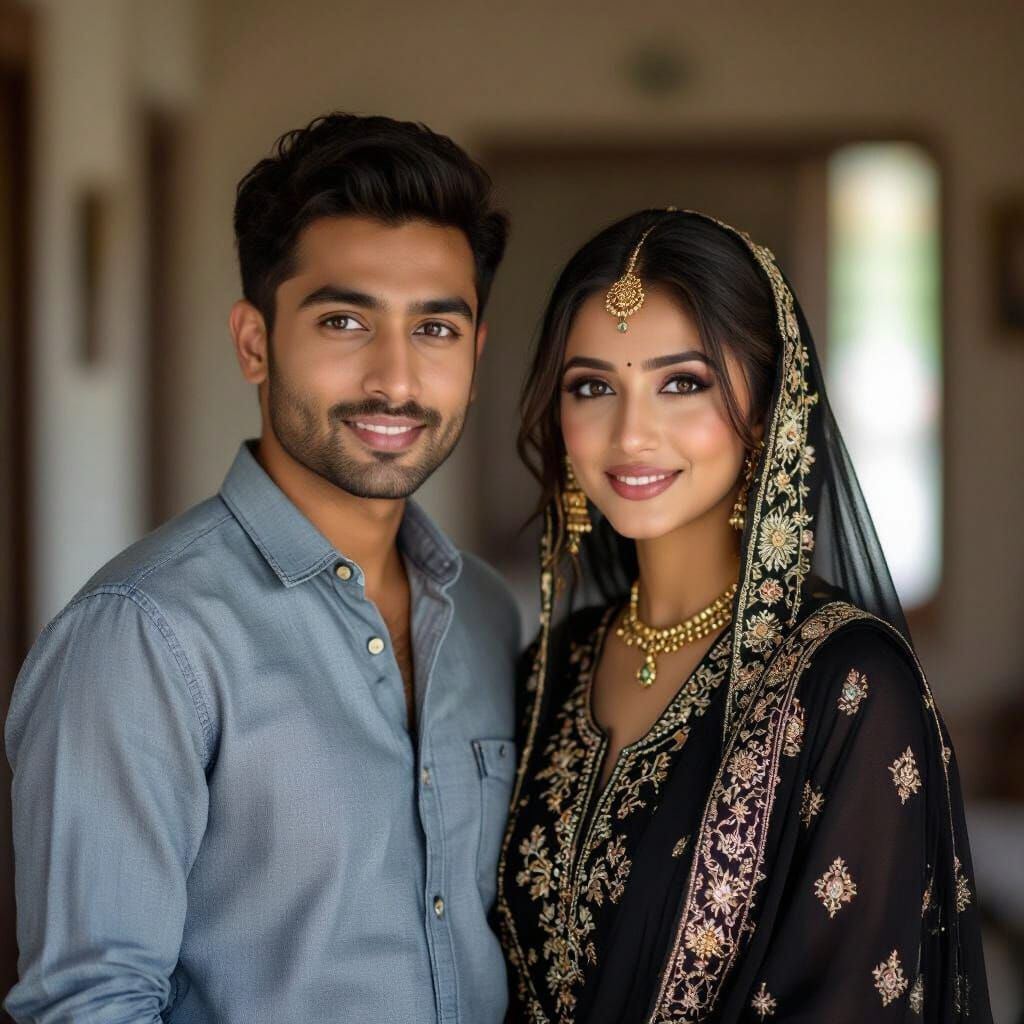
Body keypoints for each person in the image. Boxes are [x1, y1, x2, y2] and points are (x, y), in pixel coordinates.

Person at [6, 113, 520, 1023]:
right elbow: (89, 1005)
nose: (397, 380)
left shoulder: (484, 610)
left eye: (435, 328)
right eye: (345, 320)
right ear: (254, 342)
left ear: (475, 356)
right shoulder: (142, 636)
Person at [498, 209, 992, 1022]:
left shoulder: (849, 687)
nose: (630, 433)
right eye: (593, 387)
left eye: (681, 383)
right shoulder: (552, 668)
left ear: (768, 411)